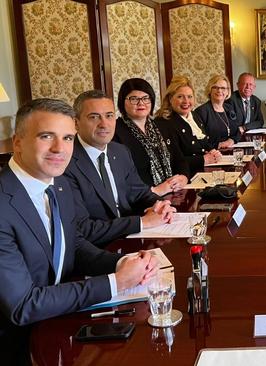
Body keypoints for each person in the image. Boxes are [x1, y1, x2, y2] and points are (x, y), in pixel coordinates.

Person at [0, 98, 157, 365]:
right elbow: (23, 306)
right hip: (18, 345)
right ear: (17, 142)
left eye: (68, 138)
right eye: (46, 136)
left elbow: (72, 245)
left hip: (61, 324)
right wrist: (115, 283)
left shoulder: (57, 185)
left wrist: (123, 263)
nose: (59, 148)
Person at [64, 90, 176, 247]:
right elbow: (84, 229)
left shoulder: (120, 151)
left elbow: (140, 193)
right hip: (98, 249)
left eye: (109, 116)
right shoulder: (65, 162)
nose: (104, 124)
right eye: (94, 117)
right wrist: (141, 222)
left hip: (132, 241)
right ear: (76, 123)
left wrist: (161, 205)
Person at [113, 78, 189, 196]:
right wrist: (157, 190)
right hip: (144, 200)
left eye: (146, 98)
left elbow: (180, 160)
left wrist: (183, 178)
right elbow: (122, 179)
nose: (141, 103)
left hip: (174, 193)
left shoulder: (162, 125)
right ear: (122, 102)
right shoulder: (115, 133)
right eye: (134, 99)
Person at [155, 76, 221, 175]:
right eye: (180, 97)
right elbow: (171, 160)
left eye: (190, 97)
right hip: (183, 177)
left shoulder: (194, 116)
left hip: (202, 171)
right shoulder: (163, 122)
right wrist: (202, 160)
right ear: (170, 99)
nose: (186, 101)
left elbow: (204, 143)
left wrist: (213, 152)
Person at [195, 74, 240, 149]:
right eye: (215, 87)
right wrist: (218, 145)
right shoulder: (201, 112)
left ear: (227, 91)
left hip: (232, 150)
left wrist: (232, 140)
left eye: (223, 88)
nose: (219, 90)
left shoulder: (229, 108)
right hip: (213, 153)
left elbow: (237, 131)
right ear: (210, 90)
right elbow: (199, 141)